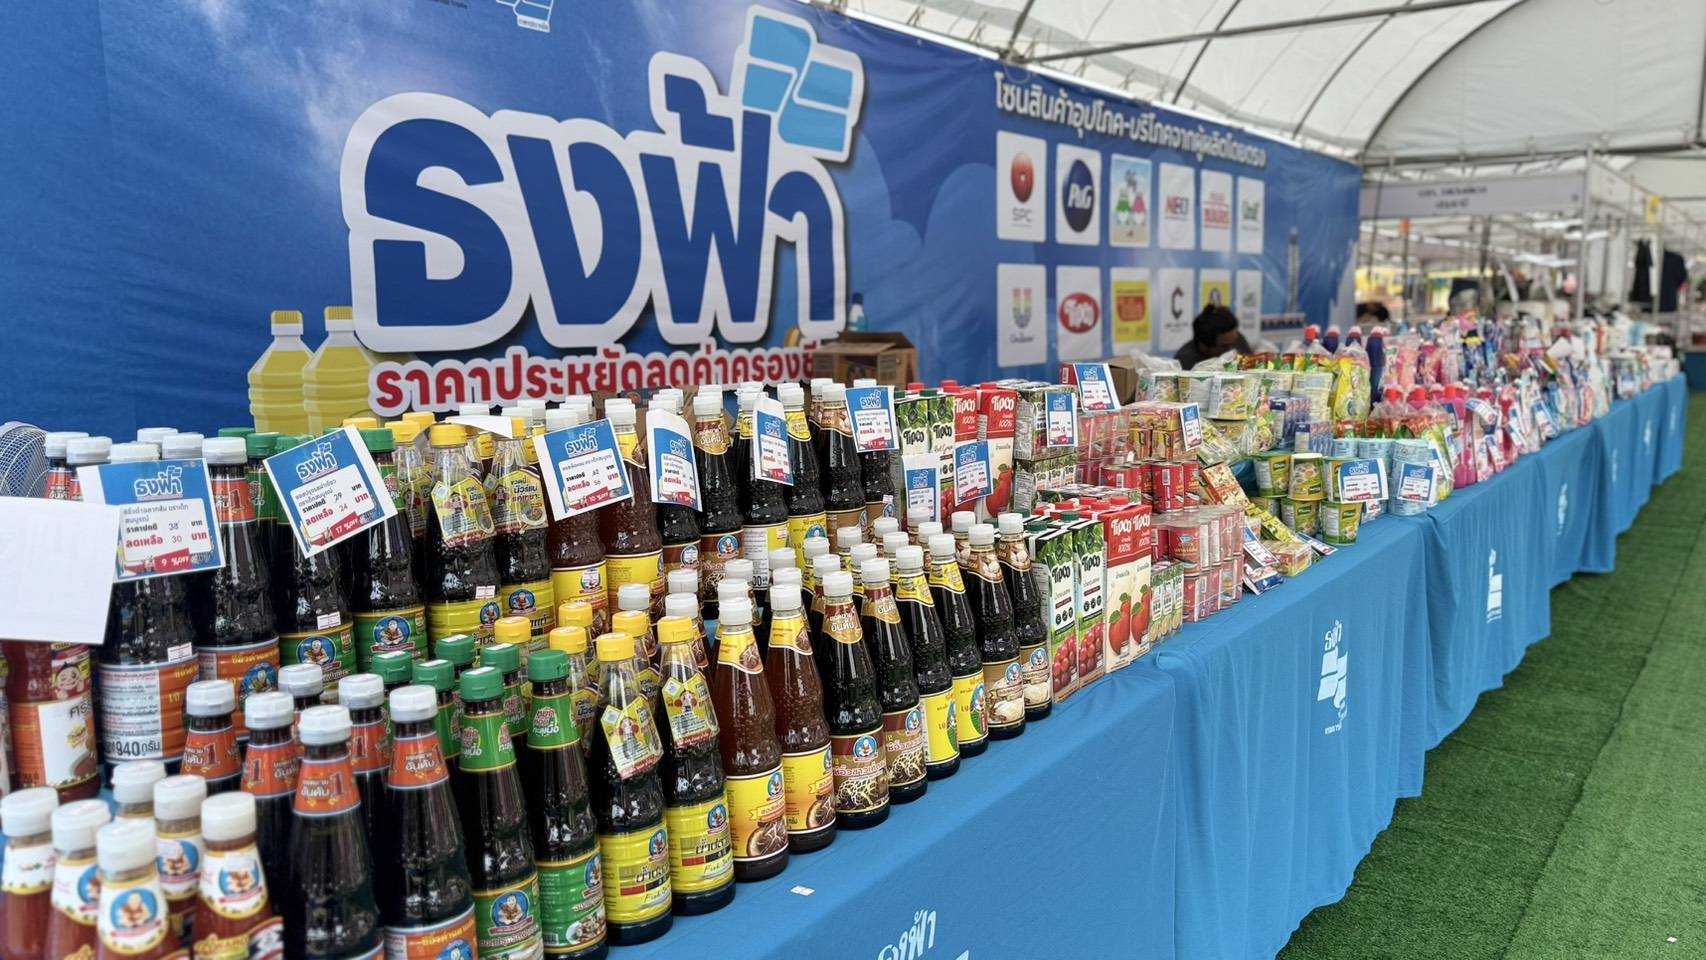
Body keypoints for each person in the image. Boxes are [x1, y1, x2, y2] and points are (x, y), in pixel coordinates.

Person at [1174, 305, 1240, 370]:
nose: (1232, 350)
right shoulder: (1185, 362)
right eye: (1225, 346)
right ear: (1205, 347)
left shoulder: (1236, 339)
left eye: (1234, 342)